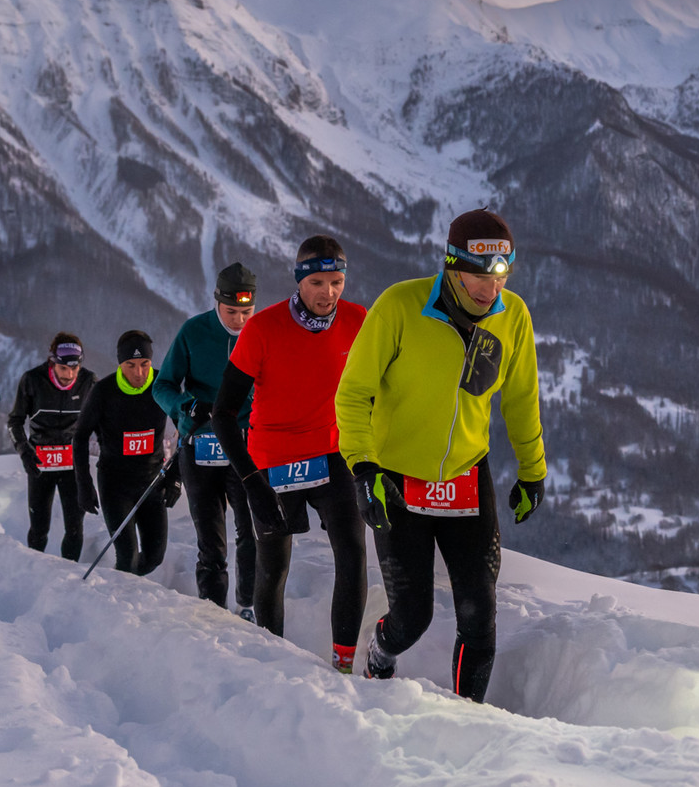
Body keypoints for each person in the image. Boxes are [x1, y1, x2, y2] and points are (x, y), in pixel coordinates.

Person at [336, 208, 546, 702]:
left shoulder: (512, 316)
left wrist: (532, 471)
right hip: (396, 478)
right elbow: (354, 393)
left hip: (465, 476)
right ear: (452, 267)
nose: (491, 289)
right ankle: (381, 652)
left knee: (480, 614)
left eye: (501, 276)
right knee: (413, 616)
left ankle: (466, 719)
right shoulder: (400, 306)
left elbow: (521, 399)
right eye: (479, 277)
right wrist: (363, 468)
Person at [211, 236, 368, 673]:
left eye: (336, 282)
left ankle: (343, 664)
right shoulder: (263, 328)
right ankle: (273, 661)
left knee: (353, 554)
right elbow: (223, 414)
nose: (328, 293)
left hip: (332, 451)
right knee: (273, 567)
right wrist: (251, 483)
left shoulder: (358, 320)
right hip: (273, 459)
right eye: (317, 282)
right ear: (299, 280)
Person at [153, 263, 258, 618]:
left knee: (252, 531)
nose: (239, 320)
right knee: (211, 540)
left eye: (247, 312)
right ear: (217, 302)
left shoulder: (262, 333)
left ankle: (248, 605)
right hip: (200, 446)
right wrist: (186, 406)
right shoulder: (194, 331)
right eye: (231, 312)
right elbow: (163, 385)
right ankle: (214, 613)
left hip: (244, 446)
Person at [73, 331, 181, 575]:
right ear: (120, 363)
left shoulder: (162, 386)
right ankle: (121, 592)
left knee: (154, 557)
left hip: (152, 481)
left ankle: (126, 584)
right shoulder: (104, 391)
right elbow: (80, 437)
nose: (139, 373)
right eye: (130, 365)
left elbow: (186, 430)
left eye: (145, 364)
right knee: (127, 556)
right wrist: (84, 485)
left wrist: (175, 477)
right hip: (115, 484)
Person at [9, 333, 97, 561]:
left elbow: (102, 422)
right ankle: (34, 570)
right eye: (63, 368)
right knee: (39, 529)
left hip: (72, 464)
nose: (69, 375)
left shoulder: (89, 381)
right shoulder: (32, 380)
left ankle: (70, 574)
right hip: (40, 463)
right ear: (52, 362)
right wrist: (24, 451)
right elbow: (14, 421)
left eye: (74, 368)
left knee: (75, 527)